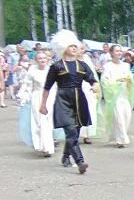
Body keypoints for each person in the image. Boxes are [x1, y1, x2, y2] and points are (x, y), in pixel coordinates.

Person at [40, 30, 99, 173]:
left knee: (75, 132)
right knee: (71, 131)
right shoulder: (57, 66)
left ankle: (66, 157)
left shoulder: (82, 65)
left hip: (79, 100)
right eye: (71, 46)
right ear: (63, 47)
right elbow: (47, 86)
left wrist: (95, 86)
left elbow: (92, 79)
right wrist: (43, 104)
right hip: (63, 99)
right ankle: (80, 162)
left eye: (75, 46)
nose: (74, 48)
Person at [17, 51, 55, 157]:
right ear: (36, 60)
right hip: (36, 97)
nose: (42, 60)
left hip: (49, 97)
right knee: (38, 122)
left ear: (47, 59)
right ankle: (41, 145)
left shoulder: (51, 70)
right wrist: (23, 97)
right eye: (40, 58)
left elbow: (56, 85)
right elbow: (28, 85)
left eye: (44, 58)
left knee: (46, 122)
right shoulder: (32, 71)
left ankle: (47, 147)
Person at [98, 44, 134, 148]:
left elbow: (130, 78)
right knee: (119, 117)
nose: (119, 53)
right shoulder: (107, 66)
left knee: (127, 116)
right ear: (111, 53)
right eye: (116, 51)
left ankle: (119, 135)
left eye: (120, 51)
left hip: (125, 94)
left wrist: (129, 81)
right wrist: (116, 82)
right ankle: (122, 139)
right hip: (115, 95)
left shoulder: (126, 65)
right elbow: (105, 81)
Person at [79, 44, 100, 145]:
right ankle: (80, 132)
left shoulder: (87, 58)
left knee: (91, 110)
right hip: (78, 87)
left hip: (88, 87)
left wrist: (96, 87)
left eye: (83, 49)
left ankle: (88, 134)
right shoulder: (72, 60)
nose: (82, 51)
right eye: (80, 48)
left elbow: (93, 74)